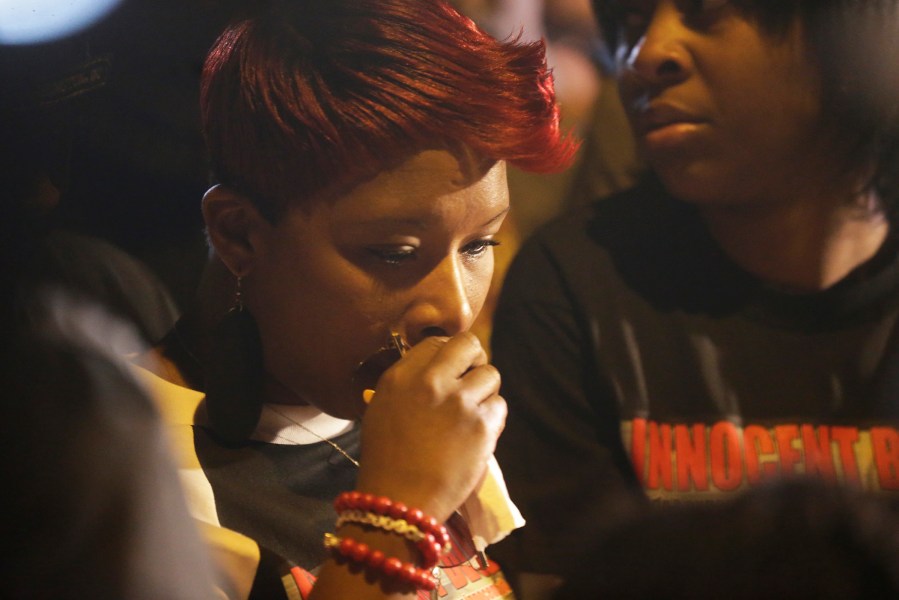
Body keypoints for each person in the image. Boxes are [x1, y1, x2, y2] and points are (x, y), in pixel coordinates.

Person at [133, 1, 576, 598]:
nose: (452, 310)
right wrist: (394, 517)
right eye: (394, 252)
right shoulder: (125, 461)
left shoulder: (429, 410)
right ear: (238, 234)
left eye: (479, 245)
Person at [489, 0, 899, 594]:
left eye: (706, 14)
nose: (646, 56)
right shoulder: (574, 284)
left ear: (849, 40)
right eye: (629, 25)